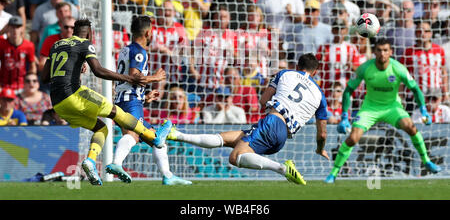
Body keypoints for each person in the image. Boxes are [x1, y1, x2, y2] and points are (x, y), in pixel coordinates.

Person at [40, 18, 173, 186]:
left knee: (101, 128)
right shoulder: (85, 44)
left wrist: (73, 66)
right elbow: (98, 71)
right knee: (116, 112)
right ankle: (153, 137)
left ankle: (90, 161)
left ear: (74, 31)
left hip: (58, 104)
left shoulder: (57, 45)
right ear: (89, 34)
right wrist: (128, 78)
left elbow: (44, 77)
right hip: (74, 94)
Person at [168, 53, 329, 185]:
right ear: (315, 72)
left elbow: (263, 100)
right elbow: (322, 134)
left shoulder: (285, 73)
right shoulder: (320, 95)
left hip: (272, 122)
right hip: (282, 137)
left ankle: (283, 169)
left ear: (297, 67)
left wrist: (270, 108)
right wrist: (320, 149)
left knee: (235, 157)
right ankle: (177, 135)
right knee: (225, 139)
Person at [324, 38, 442, 184]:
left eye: (385, 50)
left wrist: (424, 111)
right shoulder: (365, 68)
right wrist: (344, 117)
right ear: (374, 52)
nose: (382, 54)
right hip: (370, 108)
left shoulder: (398, 68)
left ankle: (426, 161)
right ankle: (333, 173)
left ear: (391, 52)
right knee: (353, 138)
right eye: (379, 50)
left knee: (410, 127)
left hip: (392, 107)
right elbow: (348, 90)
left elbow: (415, 89)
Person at [105, 15, 191, 185]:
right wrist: (155, 78)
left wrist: (144, 96)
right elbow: (134, 76)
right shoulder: (139, 52)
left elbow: (126, 81)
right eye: (152, 32)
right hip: (130, 102)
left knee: (157, 141)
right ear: (148, 33)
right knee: (134, 136)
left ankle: (167, 175)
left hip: (126, 99)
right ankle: (116, 163)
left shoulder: (125, 49)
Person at [0, 16, 37, 92]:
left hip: (21, 86)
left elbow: (32, 67)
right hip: (3, 85)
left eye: (18, 27)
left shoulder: (29, 45)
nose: (15, 30)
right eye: (12, 27)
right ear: (8, 28)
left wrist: (30, 82)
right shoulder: (2, 43)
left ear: (22, 29)